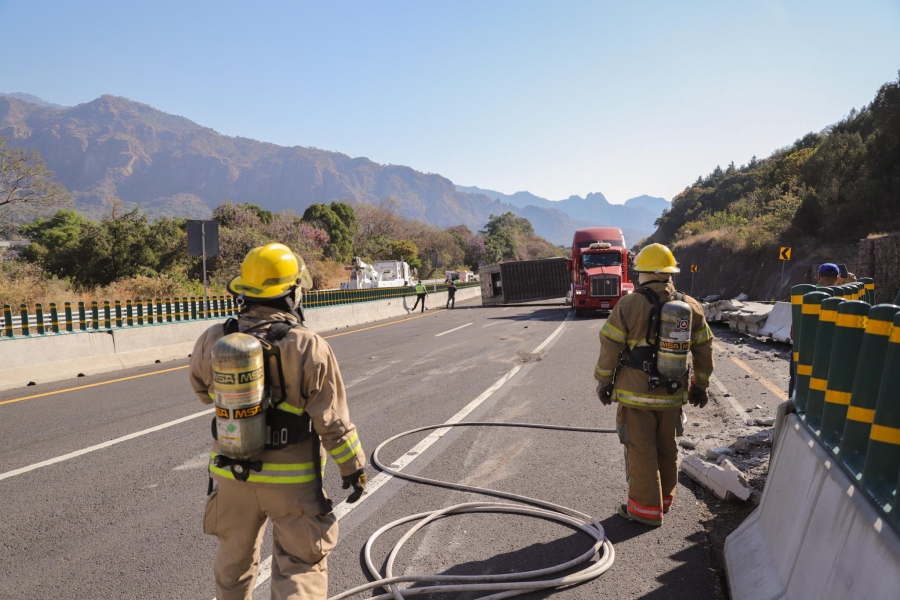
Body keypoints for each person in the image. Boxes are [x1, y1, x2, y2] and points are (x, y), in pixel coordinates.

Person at [190, 243, 367, 600]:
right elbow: (332, 423)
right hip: (292, 483)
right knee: (300, 567)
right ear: (291, 294)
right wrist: (354, 469)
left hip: (231, 475)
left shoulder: (215, 338)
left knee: (233, 568)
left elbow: (204, 393)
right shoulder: (308, 346)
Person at [594, 243, 715, 527]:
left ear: (642, 273)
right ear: (670, 273)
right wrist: (700, 386)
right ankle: (664, 500)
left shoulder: (629, 304)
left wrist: (604, 382)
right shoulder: (690, 306)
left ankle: (645, 511)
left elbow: (610, 346)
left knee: (641, 450)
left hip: (635, 396)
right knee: (666, 447)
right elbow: (704, 349)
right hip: (672, 395)